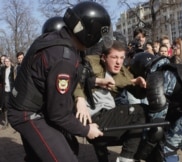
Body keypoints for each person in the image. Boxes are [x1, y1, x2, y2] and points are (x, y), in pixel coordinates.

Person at [7, 1, 112, 162]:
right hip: (28, 114)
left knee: (68, 147)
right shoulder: (63, 58)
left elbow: (50, 77)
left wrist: (94, 82)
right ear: (89, 34)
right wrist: (86, 130)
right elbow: (59, 113)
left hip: (33, 108)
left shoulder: (56, 39)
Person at [74, 40, 148, 162]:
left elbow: (137, 92)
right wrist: (94, 83)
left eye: (121, 58)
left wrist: (141, 84)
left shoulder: (122, 72)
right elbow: (74, 79)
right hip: (93, 120)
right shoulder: (90, 64)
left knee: (142, 121)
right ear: (104, 57)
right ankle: (126, 158)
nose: (118, 62)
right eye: (114, 57)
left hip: (108, 117)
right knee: (140, 111)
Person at [0, 57, 15, 129]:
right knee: (5, 106)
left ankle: (13, 120)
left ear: (10, 61)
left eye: (8, 61)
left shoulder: (13, 69)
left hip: (12, 90)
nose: (6, 62)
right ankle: (6, 122)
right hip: (5, 90)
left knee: (12, 106)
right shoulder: (3, 69)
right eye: (5, 61)